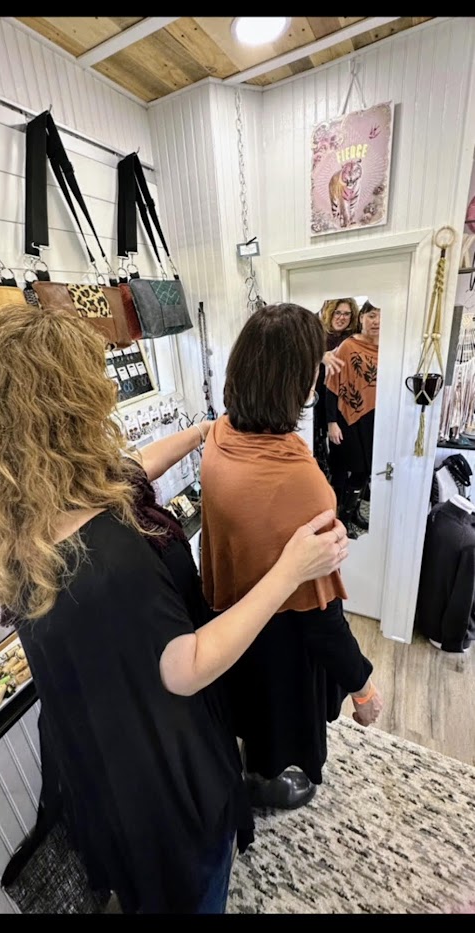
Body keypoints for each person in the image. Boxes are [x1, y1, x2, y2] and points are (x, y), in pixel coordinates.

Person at [0, 304, 351, 915]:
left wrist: (202, 432)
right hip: (158, 768)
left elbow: (130, 472)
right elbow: (184, 666)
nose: (108, 390)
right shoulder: (109, 562)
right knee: (189, 885)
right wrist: (289, 571)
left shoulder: (26, 521)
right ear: (59, 407)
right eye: (90, 382)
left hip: (95, 744)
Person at [200, 303, 383, 812]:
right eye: (312, 367)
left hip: (231, 614)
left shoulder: (220, 437)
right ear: (297, 383)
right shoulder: (296, 479)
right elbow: (322, 617)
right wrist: (363, 686)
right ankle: (268, 781)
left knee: (254, 710)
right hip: (281, 630)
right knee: (280, 717)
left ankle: (259, 767)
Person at [326, 299, 381, 538]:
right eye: (371, 315)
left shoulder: (390, 348)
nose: (376, 321)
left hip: (376, 417)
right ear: (361, 318)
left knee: (369, 470)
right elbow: (331, 386)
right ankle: (343, 518)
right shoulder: (348, 346)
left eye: (380, 315)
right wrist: (331, 423)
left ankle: (353, 511)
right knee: (356, 470)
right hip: (347, 419)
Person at [313, 298, 360, 502]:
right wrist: (320, 356)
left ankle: (340, 503)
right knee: (316, 448)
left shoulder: (353, 339)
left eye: (346, 314)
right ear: (330, 312)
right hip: (318, 400)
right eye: (338, 313)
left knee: (341, 451)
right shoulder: (317, 336)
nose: (341, 317)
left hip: (344, 402)